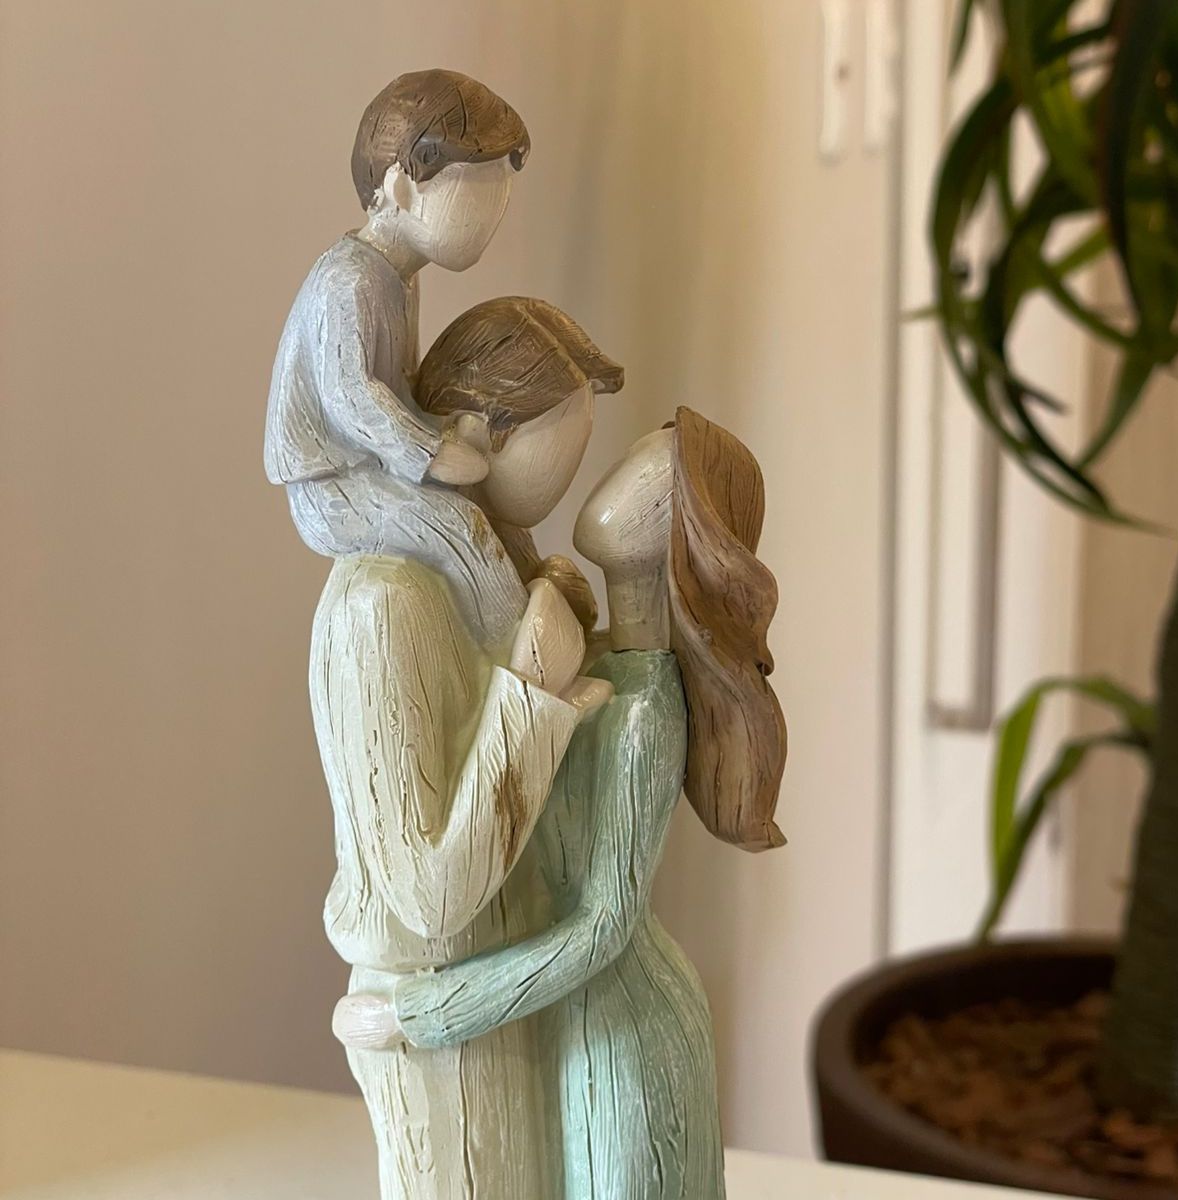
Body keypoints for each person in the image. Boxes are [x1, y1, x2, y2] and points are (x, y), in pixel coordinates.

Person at [335, 408, 788, 1200]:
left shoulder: (649, 709)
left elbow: (602, 927)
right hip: (567, 1019)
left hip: (624, 1026)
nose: (620, 471)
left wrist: (417, 1016)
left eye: (653, 469)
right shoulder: (599, 653)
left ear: (684, 524)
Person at [312, 297, 623, 1200]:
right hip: (432, 1006)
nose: (573, 475)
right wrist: (531, 693)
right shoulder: (383, 605)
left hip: (507, 978)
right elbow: (431, 896)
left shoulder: (490, 571)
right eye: (562, 448)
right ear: (478, 433)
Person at [265, 69, 535, 649]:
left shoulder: (400, 278)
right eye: (478, 190)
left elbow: (399, 386)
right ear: (403, 187)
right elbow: (351, 396)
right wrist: (429, 453)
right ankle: (523, 658)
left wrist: (444, 426)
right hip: (332, 487)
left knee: (487, 502)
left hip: (372, 468)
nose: (496, 210)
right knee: (458, 527)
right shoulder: (349, 280)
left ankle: (539, 598)